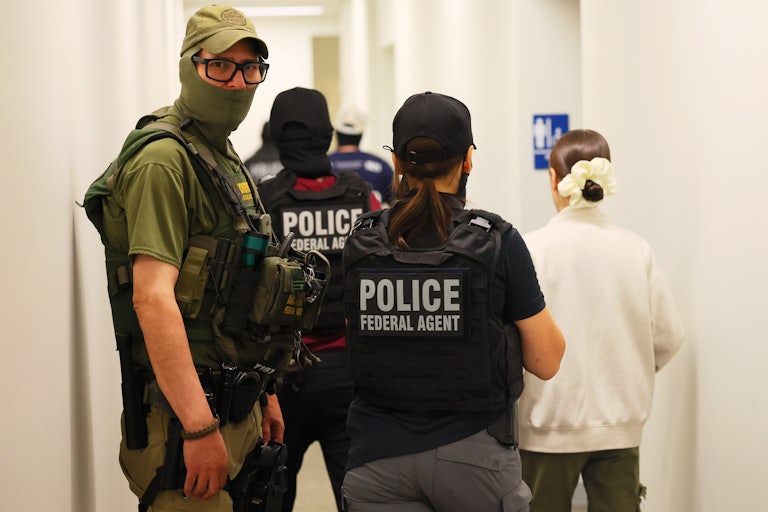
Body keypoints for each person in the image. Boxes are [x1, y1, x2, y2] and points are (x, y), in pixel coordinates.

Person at [82, 6, 293, 511]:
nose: (237, 82)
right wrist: (198, 427)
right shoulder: (164, 159)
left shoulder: (219, 152)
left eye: (249, 68)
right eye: (219, 65)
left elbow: (242, 284)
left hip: (231, 402)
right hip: (185, 418)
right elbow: (152, 298)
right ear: (189, 67)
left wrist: (264, 392)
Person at [340, 91, 566, 512]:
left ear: (396, 164)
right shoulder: (497, 241)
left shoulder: (363, 240)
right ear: (467, 160)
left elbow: (358, 342)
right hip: (475, 459)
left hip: (375, 460)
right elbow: (546, 361)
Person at [518, 129, 685, 512]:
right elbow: (670, 335)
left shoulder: (532, 249)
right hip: (620, 425)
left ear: (554, 180)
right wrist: (633, 367)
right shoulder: (634, 248)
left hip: (547, 425)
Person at [257, 87, 381, 512]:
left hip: (281, 377)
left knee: (271, 497)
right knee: (359, 498)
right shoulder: (364, 197)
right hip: (350, 376)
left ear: (276, 135)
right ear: (327, 134)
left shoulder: (263, 201)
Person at [329, 105, 394, 206]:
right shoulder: (381, 166)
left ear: (336, 133)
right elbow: (397, 204)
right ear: (361, 135)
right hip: (374, 221)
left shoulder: (324, 165)